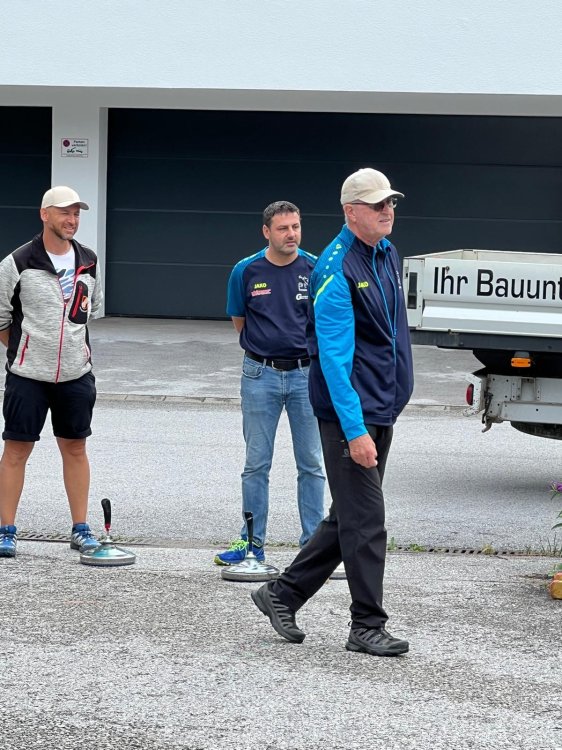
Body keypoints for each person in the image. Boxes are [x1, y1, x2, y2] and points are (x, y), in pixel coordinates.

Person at [251, 168, 414, 656]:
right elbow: (335, 361)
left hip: (380, 407)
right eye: (377, 204)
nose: (387, 210)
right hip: (351, 414)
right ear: (350, 211)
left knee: (348, 516)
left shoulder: (386, 253)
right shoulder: (336, 268)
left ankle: (282, 594)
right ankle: (366, 624)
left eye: (390, 202)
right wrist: (355, 429)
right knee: (367, 521)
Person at [214, 201, 326, 565]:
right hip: (259, 375)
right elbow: (240, 321)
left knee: (311, 464)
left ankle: (313, 548)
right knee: (256, 464)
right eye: (283, 228)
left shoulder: (314, 267)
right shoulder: (245, 271)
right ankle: (252, 544)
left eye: (296, 227)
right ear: (266, 232)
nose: (291, 234)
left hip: (306, 375)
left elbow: (325, 321)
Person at [0, 186, 103, 558]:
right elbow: (1, 318)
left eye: (76, 213)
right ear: (45, 214)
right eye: (64, 212)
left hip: (76, 375)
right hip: (27, 377)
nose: (71, 220)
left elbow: (90, 312)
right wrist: (27, 351)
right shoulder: (17, 262)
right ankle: (5, 531)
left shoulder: (88, 260)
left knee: (75, 448)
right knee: (16, 450)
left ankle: (81, 529)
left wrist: (74, 352)